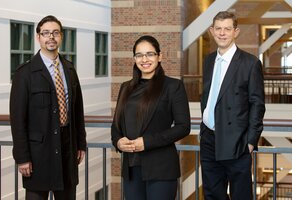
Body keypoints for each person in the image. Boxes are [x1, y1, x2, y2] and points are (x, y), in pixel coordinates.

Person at [10, 15, 86, 200]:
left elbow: (78, 111)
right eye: (46, 33)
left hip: (67, 150)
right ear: (38, 37)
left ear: (61, 37)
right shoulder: (25, 73)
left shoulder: (69, 69)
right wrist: (22, 157)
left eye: (55, 33)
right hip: (38, 155)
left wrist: (80, 144)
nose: (51, 37)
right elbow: (18, 119)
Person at [111, 35, 191, 200]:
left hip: (161, 169)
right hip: (131, 169)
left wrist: (146, 142)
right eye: (139, 55)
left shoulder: (173, 86)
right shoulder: (125, 88)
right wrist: (118, 141)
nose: (144, 59)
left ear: (159, 56)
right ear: (134, 58)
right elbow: (116, 126)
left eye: (150, 54)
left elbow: (183, 127)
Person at [199, 11, 266, 200]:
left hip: (237, 142)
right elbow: (208, 97)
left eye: (227, 29)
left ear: (235, 32)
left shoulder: (250, 63)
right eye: (218, 29)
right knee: (213, 195)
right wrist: (203, 128)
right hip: (209, 139)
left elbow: (257, 105)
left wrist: (251, 142)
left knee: (240, 196)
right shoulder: (209, 60)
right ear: (212, 31)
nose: (222, 33)